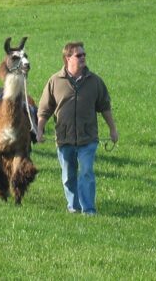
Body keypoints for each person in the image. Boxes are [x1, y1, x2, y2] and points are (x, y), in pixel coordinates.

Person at [37, 42, 118, 216]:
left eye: (84, 54)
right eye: (78, 55)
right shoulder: (55, 81)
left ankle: (88, 210)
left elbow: (105, 107)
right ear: (68, 58)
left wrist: (113, 130)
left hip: (87, 138)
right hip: (64, 138)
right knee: (68, 176)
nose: (83, 58)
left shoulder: (94, 81)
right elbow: (45, 109)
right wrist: (40, 129)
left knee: (86, 172)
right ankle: (73, 207)